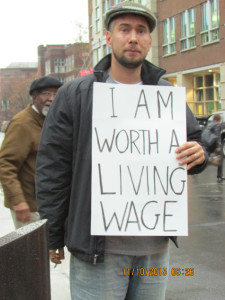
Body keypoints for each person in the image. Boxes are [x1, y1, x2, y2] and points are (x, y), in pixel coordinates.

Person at [36, 2, 207, 299]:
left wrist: (200, 153)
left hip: (155, 248)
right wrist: (52, 234)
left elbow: (195, 142)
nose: (133, 38)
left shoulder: (167, 94)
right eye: (124, 29)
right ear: (108, 37)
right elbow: (53, 168)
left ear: (150, 41)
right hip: (97, 252)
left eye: (141, 31)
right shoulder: (76, 94)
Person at [0, 76, 62, 229]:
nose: (51, 99)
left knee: (49, 251)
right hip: (29, 206)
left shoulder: (53, 120)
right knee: (33, 251)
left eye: (56, 94)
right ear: (34, 97)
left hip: (49, 204)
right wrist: (18, 201)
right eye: (46, 94)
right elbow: (5, 165)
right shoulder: (22, 123)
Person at [202, 113, 224, 181]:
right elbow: (217, 136)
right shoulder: (216, 125)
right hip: (214, 144)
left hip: (209, 143)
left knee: (206, 156)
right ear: (219, 119)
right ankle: (219, 176)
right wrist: (218, 146)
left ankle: (199, 166)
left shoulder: (210, 124)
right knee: (221, 157)